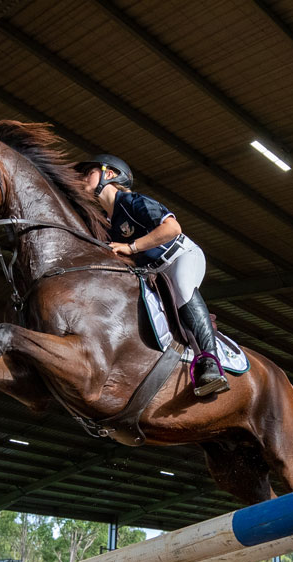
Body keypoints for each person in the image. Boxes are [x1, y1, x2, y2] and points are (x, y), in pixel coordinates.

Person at [77, 154, 229, 397]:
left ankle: (209, 361)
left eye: (88, 172)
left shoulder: (132, 202)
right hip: (150, 272)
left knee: (181, 287)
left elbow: (172, 229)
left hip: (180, 257)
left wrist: (132, 247)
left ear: (109, 174)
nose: (82, 178)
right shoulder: (106, 222)